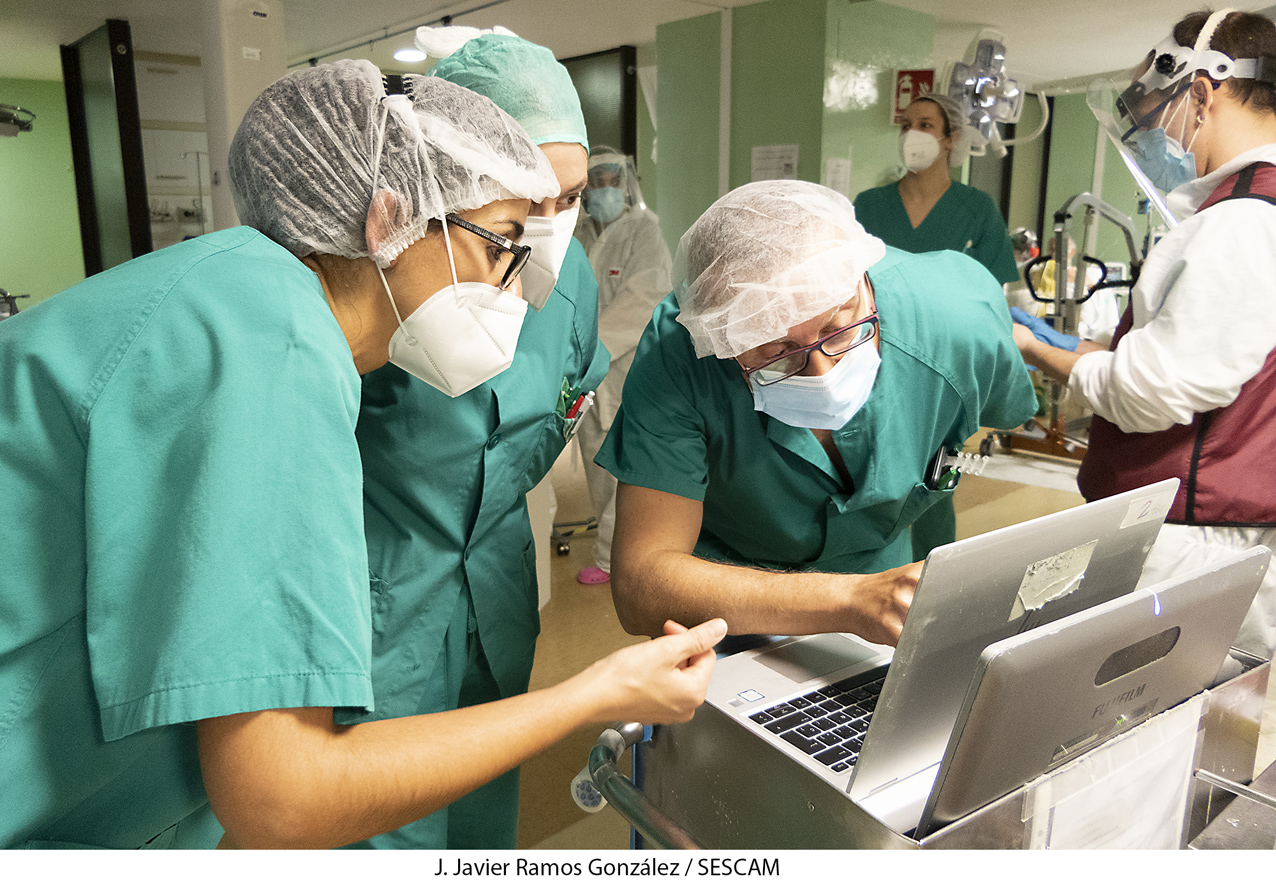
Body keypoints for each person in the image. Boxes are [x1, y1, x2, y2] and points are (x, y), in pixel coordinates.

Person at [0, 59, 726, 850]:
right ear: (389, 219)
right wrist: (597, 692)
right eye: (504, 244)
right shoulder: (271, 345)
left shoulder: (237, 293)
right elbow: (283, 800)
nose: (520, 292)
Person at [349, 28, 606, 850]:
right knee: (380, 824)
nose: (549, 226)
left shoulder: (573, 280)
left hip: (497, 594)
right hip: (377, 603)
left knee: (484, 815)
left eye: (571, 198)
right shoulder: (387, 259)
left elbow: (564, 399)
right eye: (527, 200)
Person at [597, 180, 1037, 642]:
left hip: (888, 591)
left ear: (864, 281)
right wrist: (848, 600)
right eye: (777, 351)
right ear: (723, 346)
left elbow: (1009, 412)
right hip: (726, 603)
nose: (821, 372)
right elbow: (642, 584)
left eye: (840, 328)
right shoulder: (684, 354)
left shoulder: (954, 320)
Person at [1012, 8, 1276, 659]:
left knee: (1133, 736)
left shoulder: (1237, 227)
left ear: (1202, 91)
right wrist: (1081, 350)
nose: (1150, 132)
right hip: (1218, 538)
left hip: (1190, 544)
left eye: (1152, 106)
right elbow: (1209, 370)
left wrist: (1036, 348)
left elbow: (1148, 393)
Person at [854, 92, 1019, 561]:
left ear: (952, 139)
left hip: (947, 379)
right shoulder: (868, 206)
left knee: (933, 490)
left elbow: (990, 303)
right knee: (869, 486)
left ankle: (930, 583)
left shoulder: (977, 210)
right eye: (906, 123)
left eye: (926, 124)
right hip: (874, 367)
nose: (913, 134)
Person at [573, 146, 673, 586]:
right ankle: (608, 543)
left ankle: (614, 558)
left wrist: (594, 349)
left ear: (627, 183)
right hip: (583, 364)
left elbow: (644, 297)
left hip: (625, 364)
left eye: (614, 181)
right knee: (594, 455)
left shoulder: (644, 233)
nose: (606, 190)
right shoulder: (577, 233)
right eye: (597, 182)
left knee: (621, 461)